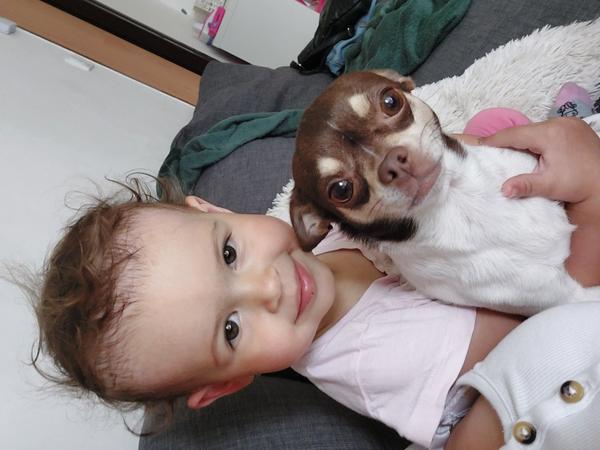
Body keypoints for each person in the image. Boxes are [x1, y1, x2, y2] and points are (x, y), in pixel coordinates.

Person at [30, 117, 600, 449]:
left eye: (229, 253)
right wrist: (591, 196)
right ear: (226, 385)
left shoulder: (327, 234)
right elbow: (545, 323)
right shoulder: (373, 358)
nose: (267, 289)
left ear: (213, 208)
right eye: (231, 329)